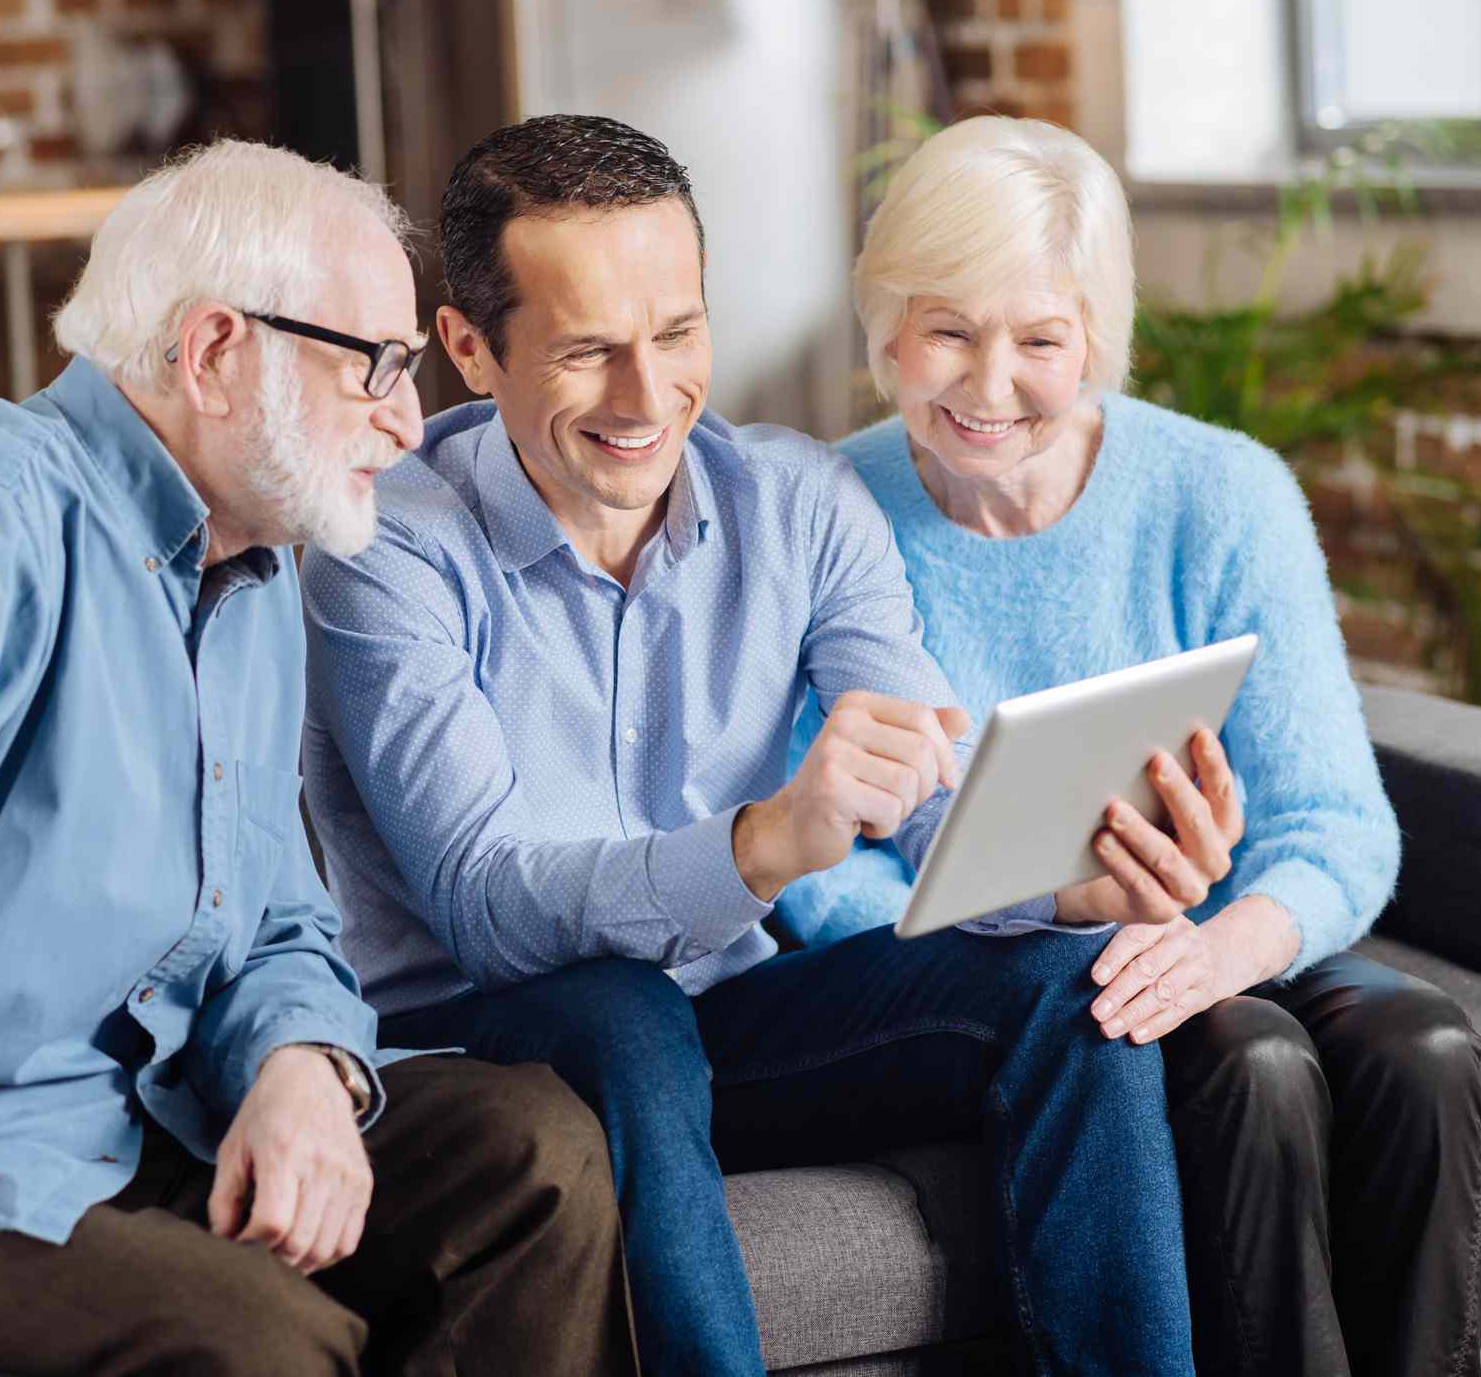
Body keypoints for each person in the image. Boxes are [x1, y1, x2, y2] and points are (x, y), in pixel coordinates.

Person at [0, 139, 638, 1377]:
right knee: (261, 1338)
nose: (410, 423)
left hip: (111, 1122)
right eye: (374, 366)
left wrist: (300, 1065)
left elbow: (275, 916)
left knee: (533, 1154)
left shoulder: (253, 568)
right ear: (213, 352)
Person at [302, 113, 1236, 1377]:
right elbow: (487, 907)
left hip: (722, 1018)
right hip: (486, 1039)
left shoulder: (798, 503)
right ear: (469, 348)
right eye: (587, 350)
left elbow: (930, 794)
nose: (648, 398)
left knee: (1075, 987)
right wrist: (759, 846)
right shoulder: (383, 548)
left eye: (678, 334)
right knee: (619, 1007)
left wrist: (1065, 881)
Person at [777, 115, 1481, 1377]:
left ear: (1096, 340)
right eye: (947, 330)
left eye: (1040, 340)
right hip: (996, 987)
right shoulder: (819, 514)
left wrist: (1224, 943)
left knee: (1422, 1050)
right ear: (884, 326)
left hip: (1217, 940)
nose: (988, 388)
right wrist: (1050, 913)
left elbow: (1333, 820)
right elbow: (817, 868)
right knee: (1255, 1064)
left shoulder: (1219, 493)